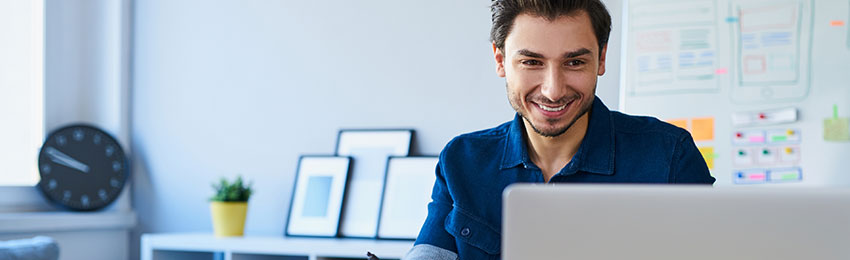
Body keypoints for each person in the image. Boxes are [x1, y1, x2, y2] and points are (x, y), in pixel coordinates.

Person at [402, 0, 716, 259]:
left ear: (601, 58)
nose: (553, 91)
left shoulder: (670, 156)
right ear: (500, 60)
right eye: (531, 63)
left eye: (574, 63)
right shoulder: (462, 160)